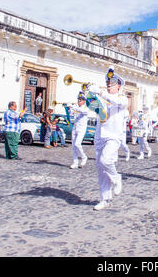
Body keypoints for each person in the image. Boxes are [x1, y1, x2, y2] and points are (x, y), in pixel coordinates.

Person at [88, 67, 128, 210]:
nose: (108, 84)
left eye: (111, 83)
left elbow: (116, 102)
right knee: (101, 168)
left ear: (119, 86)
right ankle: (105, 198)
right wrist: (89, 93)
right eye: (107, 82)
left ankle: (117, 178)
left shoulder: (122, 99)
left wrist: (100, 92)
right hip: (100, 135)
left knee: (106, 160)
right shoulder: (102, 98)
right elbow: (92, 108)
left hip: (113, 136)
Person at [69, 92, 89, 169]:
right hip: (75, 127)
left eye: (81, 100)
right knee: (73, 146)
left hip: (81, 129)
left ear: (84, 101)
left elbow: (82, 111)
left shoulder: (86, 108)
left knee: (77, 144)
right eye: (78, 99)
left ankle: (84, 157)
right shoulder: (76, 107)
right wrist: (69, 109)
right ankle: (75, 162)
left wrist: (73, 106)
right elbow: (72, 114)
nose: (79, 101)